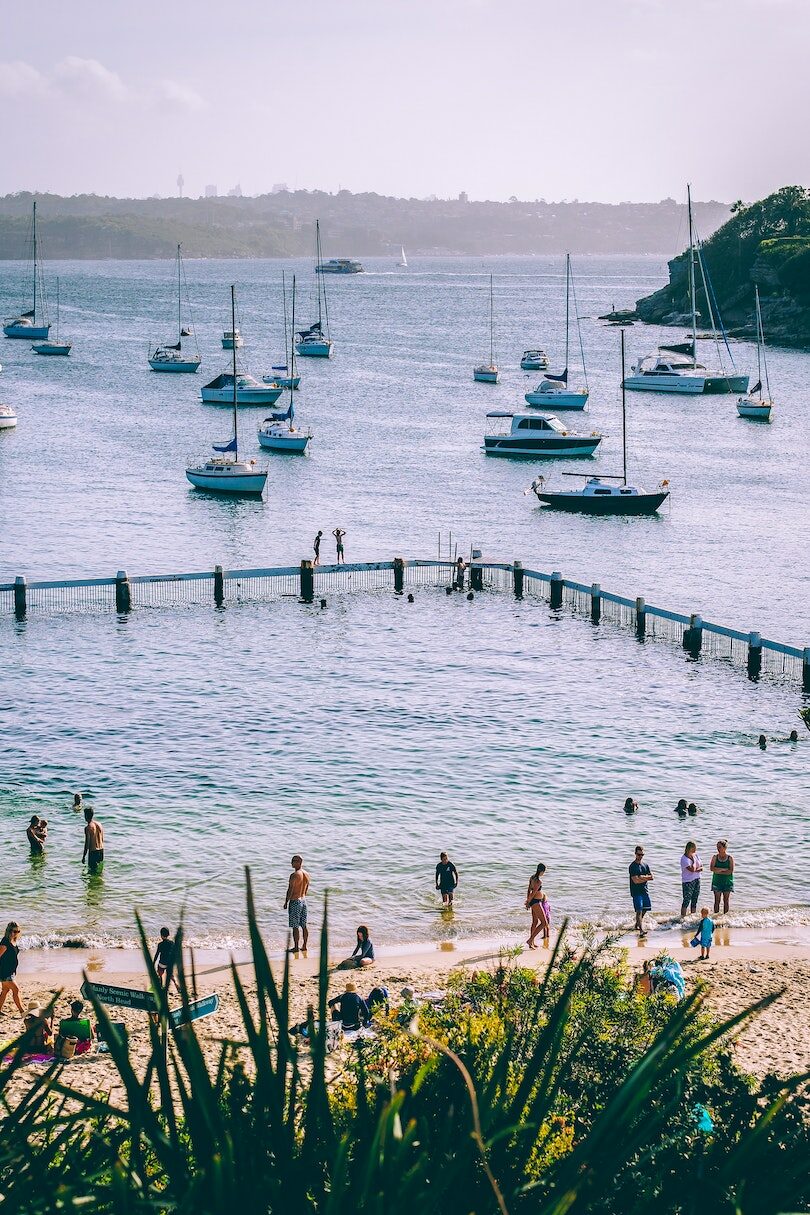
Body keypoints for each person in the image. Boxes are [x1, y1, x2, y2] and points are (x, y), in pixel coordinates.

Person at [284, 855, 310, 953]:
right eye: (291, 861)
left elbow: (290, 890)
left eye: (294, 861)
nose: (291, 863)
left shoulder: (294, 875)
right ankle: (304, 946)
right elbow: (306, 888)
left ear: (299, 862)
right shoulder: (307, 874)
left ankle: (295, 947)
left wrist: (286, 901)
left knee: (295, 926)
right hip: (303, 900)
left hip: (295, 901)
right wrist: (302, 896)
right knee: (304, 925)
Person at [0, 923, 24, 1016]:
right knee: (16, 990)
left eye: (18, 931)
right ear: (9, 931)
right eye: (14, 931)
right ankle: (22, 1012)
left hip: (11, 971)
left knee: (5, 991)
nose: (16, 933)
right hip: (4, 972)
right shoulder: (5, 942)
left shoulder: (13, 941)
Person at [628, 846, 653, 934]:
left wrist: (641, 877)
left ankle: (637, 924)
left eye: (642, 854)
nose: (640, 856)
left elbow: (652, 877)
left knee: (645, 909)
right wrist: (644, 878)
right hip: (636, 892)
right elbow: (635, 881)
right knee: (639, 910)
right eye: (639, 854)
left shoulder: (645, 865)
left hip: (645, 891)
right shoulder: (632, 866)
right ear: (635, 854)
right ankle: (641, 930)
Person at [525, 863, 550, 948]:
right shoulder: (538, 881)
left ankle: (531, 943)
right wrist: (528, 902)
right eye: (544, 871)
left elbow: (528, 890)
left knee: (535, 922)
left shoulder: (532, 877)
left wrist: (528, 900)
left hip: (533, 902)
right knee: (544, 923)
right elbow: (534, 892)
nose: (544, 873)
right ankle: (530, 940)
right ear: (542, 871)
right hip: (536, 902)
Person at [710, 839, 734, 913]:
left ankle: (725, 918)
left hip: (727, 882)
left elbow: (730, 871)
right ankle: (715, 917)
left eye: (719, 847)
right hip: (717, 882)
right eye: (717, 847)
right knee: (717, 901)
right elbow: (712, 868)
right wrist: (723, 869)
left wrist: (718, 871)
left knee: (726, 901)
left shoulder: (730, 858)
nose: (718, 848)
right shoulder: (715, 857)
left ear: (725, 848)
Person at [680, 841, 703, 917]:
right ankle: (682, 918)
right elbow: (692, 869)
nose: (695, 850)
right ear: (690, 848)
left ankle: (692, 917)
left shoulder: (696, 855)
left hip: (697, 879)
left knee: (694, 900)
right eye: (694, 848)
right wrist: (693, 860)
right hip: (688, 881)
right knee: (686, 900)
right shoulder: (684, 858)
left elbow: (701, 867)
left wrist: (697, 869)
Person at [82, 807, 104, 873]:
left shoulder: (88, 827)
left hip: (93, 852)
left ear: (86, 816)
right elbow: (102, 838)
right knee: (100, 872)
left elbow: (87, 844)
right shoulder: (99, 824)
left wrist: (84, 856)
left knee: (92, 872)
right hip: (101, 851)